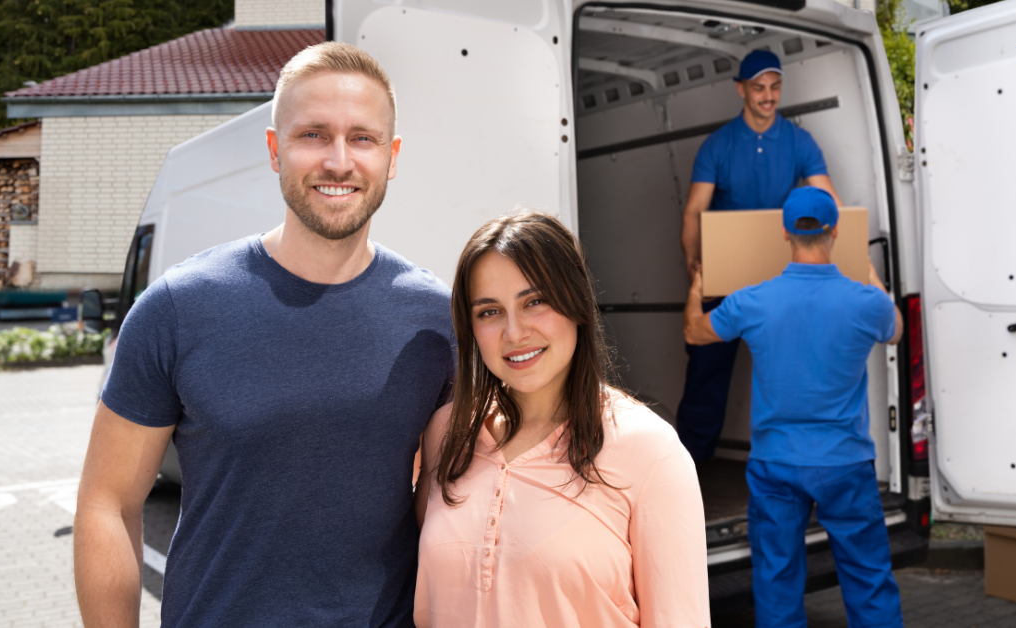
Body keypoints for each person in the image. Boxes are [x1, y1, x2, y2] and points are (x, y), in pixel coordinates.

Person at [74, 42, 454, 627]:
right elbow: (108, 503)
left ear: (392, 156)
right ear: (275, 150)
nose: (338, 160)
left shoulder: (435, 319)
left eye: (363, 138)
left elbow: (447, 509)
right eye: (313, 135)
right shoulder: (178, 307)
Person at [413, 212, 709, 628]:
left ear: (576, 302)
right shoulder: (446, 431)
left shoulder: (650, 451)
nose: (514, 333)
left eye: (535, 302)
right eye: (489, 312)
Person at [683, 186, 904, 628]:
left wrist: (698, 286)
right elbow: (896, 329)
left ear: (785, 233)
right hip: (846, 463)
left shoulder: (753, 300)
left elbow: (695, 333)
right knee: (868, 578)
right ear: (835, 230)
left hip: (776, 465)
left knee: (777, 579)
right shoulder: (866, 303)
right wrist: (871, 275)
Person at [677, 48, 843, 462]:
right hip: (727, 276)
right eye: (758, 88)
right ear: (741, 90)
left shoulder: (799, 141)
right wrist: (693, 263)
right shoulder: (718, 145)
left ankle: (803, 466)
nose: (768, 96)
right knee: (707, 374)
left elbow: (829, 201)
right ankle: (688, 470)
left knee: (793, 375)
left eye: (775, 86)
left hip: (780, 276)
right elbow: (695, 210)